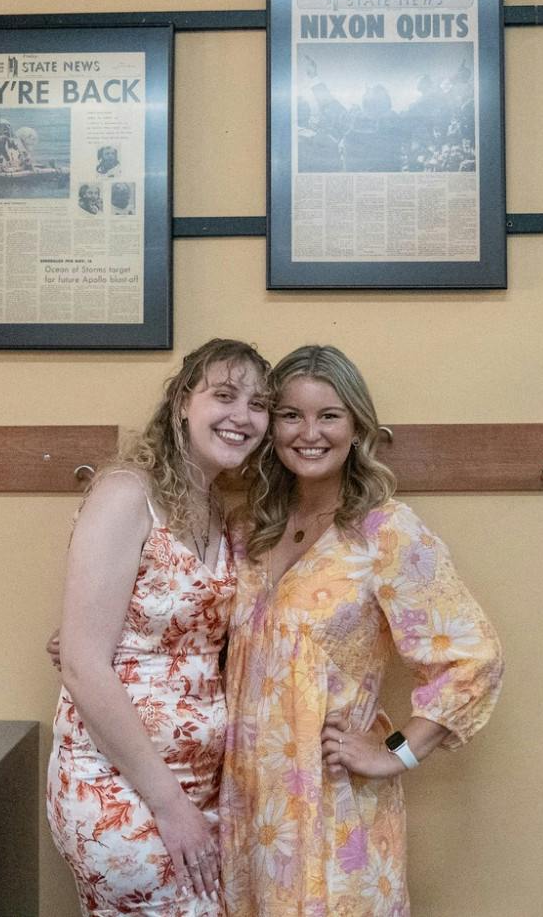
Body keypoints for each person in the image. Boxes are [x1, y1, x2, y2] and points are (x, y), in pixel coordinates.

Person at [221, 345, 502, 916]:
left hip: (334, 807)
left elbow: (471, 658)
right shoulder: (249, 528)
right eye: (291, 415)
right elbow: (207, 632)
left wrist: (395, 751)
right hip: (248, 802)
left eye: (330, 415)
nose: (310, 433)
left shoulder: (385, 532)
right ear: (270, 426)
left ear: (357, 427)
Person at [47, 339, 271, 917]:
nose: (242, 416)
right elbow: (82, 662)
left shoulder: (221, 511)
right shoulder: (128, 494)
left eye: (258, 404)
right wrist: (169, 803)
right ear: (181, 405)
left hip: (200, 786)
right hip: (123, 782)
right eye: (224, 396)